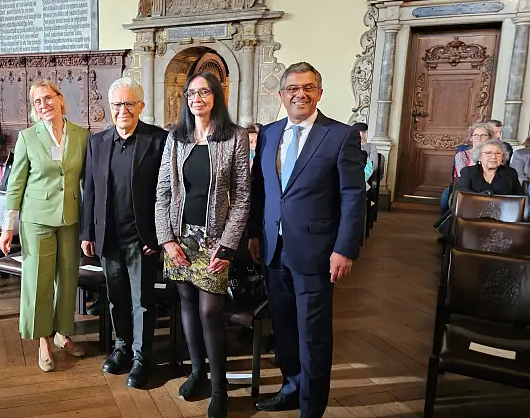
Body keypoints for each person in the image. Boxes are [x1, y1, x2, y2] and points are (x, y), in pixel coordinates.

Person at [248, 62, 364, 418]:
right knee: (283, 327)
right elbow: (260, 190)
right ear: (282, 95)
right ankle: (291, 387)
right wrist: (255, 232)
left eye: (308, 87)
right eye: (293, 88)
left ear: (319, 93)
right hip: (274, 249)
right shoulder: (268, 133)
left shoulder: (339, 136)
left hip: (317, 251)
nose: (300, 94)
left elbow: (353, 196)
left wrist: (345, 248)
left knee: (312, 332)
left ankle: (312, 408)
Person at [154, 72, 250, 416]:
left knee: (210, 310)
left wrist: (227, 246)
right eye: (191, 93)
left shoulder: (234, 137)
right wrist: (166, 239)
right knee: (187, 304)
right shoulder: (176, 137)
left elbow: (241, 196)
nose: (197, 98)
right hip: (180, 238)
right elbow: (162, 191)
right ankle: (197, 373)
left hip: (214, 239)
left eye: (204, 92)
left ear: (216, 96)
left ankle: (220, 387)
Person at [81, 77, 168, 389]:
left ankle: (143, 357)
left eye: (129, 103)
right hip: (108, 237)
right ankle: (122, 348)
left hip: (142, 239)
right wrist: (87, 232)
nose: (122, 110)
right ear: (110, 107)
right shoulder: (97, 142)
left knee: (142, 300)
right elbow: (89, 191)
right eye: (117, 104)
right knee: (116, 298)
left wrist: (160, 236)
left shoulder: (158, 141)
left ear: (141, 107)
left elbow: (167, 193)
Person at [0, 79, 90, 373]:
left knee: (67, 279)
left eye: (48, 98)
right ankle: (43, 340)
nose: (44, 105)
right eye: (37, 101)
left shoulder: (81, 135)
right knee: (38, 280)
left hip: (70, 216)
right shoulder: (27, 137)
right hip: (36, 219)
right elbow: (15, 184)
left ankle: (63, 334)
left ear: (60, 99)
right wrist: (7, 226)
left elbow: (87, 181)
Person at [440, 123, 493, 214]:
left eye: (483, 135)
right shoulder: (461, 155)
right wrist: (476, 156)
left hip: (489, 188)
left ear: (489, 137)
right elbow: (463, 175)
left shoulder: (495, 155)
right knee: (445, 198)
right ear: (471, 138)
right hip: (467, 187)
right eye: (475, 135)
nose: (479, 137)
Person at [457, 139, 523, 195]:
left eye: (498, 153)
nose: (494, 157)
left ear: (503, 157)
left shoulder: (511, 173)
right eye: (488, 153)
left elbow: (519, 197)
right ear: (479, 156)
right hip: (472, 208)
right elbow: (462, 193)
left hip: (502, 209)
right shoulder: (468, 171)